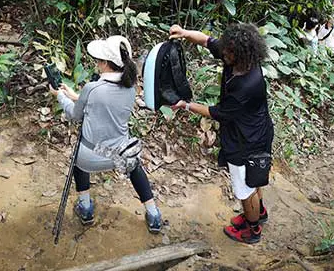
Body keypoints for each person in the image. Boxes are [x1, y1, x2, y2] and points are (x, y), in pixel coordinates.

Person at [169, 23, 274, 244]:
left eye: (227, 51)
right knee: (254, 180)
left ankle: (252, 229)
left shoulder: (247, 85)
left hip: (247, 140)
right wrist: (185, 33)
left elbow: (217, 113)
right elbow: (206, 40)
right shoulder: (235, 55)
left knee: (244, 189)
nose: (223, 52)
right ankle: (258, 213)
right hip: (255, 129)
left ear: (240, 54)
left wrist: (185, 106)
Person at [50, 36, 163, 233]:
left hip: (90, 156)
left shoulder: (92, 89)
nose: (97, 63)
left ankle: (85, 208)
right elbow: (101, 104)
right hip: (119, 155)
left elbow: (75, 115)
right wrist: (74, 95)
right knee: (135, 166)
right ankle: (153, 214)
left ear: (105, 63)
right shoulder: (131, 87)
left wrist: (59, 95)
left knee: (78, 158)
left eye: (98, 60)